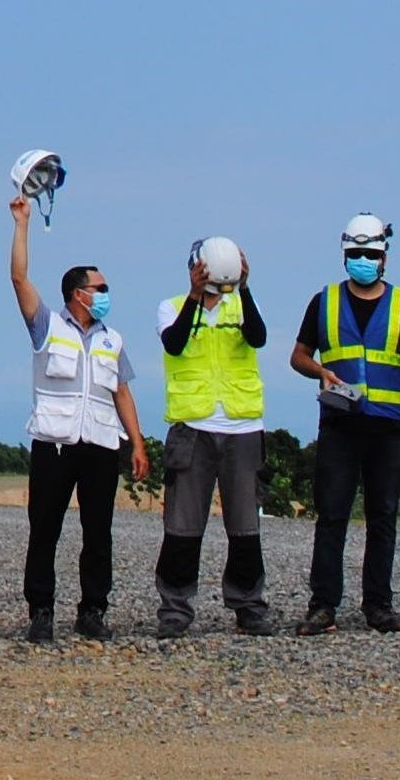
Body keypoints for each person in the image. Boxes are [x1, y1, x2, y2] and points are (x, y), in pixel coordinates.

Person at [288, 213, 400, 633]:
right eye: (356, 253)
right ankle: (323, 606)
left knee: (383, 517)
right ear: (344, 255)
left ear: (384, 257)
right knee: (331, 515)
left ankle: (378, 606)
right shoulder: (324, 301)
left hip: (389, 428)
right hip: (340, 423)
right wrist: (319, 371)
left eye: (370, 254)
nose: (363, 260)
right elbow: (298, 355)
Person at [9, 198, 148, 643]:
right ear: (78, 293)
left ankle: (93, 611)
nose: (105, 294)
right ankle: (41, 611)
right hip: (54, 444)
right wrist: (22, 223)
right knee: (44, 529)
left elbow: (121, 391)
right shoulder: (48, 326)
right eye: (99, 287)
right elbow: (19, 278)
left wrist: (137, 442)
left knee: (98, 532)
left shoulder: (113, 339)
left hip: (102, 446)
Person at [152, 240, 273, 639]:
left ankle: (248, 606)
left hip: (242, 426)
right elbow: (174, 342)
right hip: (193, 426)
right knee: (183, 526)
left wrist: (246, 289)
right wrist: (194, 296)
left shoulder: (241, 305)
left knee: (245, 527)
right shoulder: (171, 306)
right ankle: (175, 609)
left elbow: (257, 337)